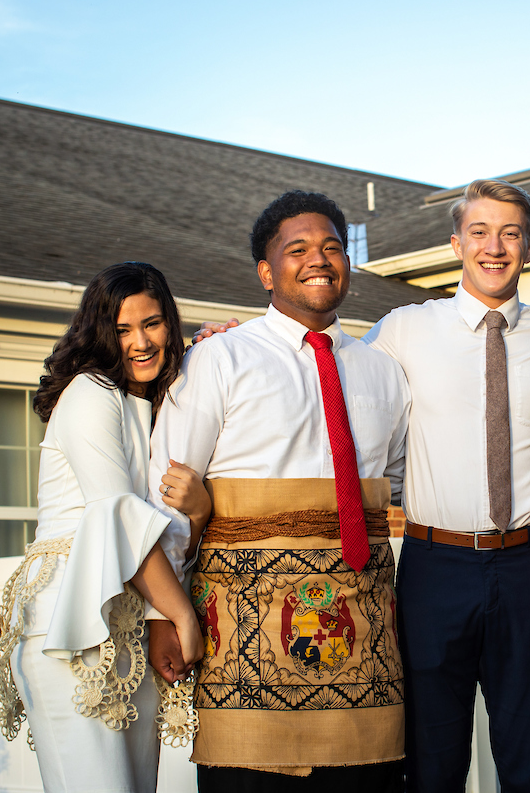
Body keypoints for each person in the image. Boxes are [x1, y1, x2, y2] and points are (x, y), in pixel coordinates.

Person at [149, 190, 410, 792]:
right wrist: (163, 612)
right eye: (297, 249)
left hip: (362, 637)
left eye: (331, 247)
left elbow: (396, 485)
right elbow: (167, 492)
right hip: (245, 641)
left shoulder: (383, 370)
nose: (318, 259)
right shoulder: (218, 358)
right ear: (266, 273)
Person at [0, 262, 212, 793]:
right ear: (101, 334)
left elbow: (160, 536)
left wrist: (197, 514)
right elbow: (117, 516)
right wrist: (182, 615)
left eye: (152, 324)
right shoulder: (90, 392)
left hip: (129, 621)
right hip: (71, 620)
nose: (140, 342)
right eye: (123, 330)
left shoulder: (151, 406)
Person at [362, 179, 530, 793]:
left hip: (529, 568)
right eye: (479, 232)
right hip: (434, 569)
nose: (493, 247)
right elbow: (332, 374)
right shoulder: (404, 329)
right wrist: (236, 341)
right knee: (432, 763)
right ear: (456, 244)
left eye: (510, 234)